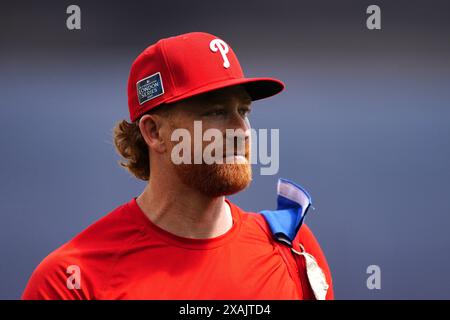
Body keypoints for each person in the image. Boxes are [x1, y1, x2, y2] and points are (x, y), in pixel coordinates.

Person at [22, 32, 333, 300]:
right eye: (214, 112)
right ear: (154, 132)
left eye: (243, 110)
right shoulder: (72, 281)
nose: (242, 131)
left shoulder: (293, 251)